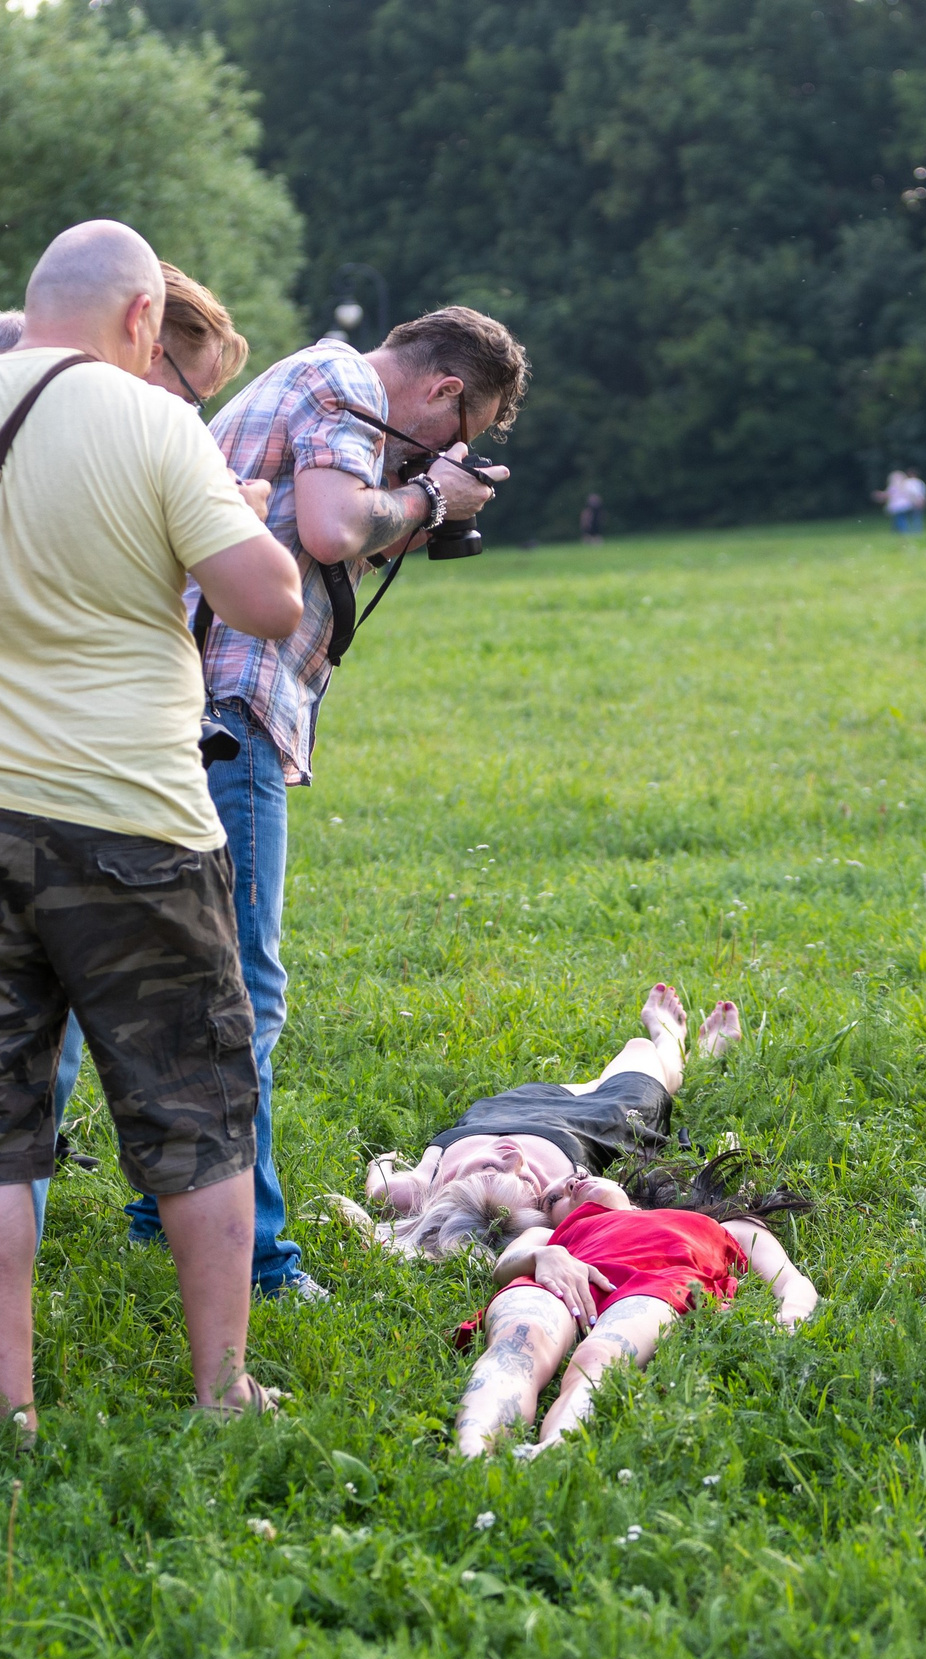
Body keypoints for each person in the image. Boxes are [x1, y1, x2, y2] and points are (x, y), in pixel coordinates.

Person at [0, 220, 303, 1432]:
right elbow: (270, 603)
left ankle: (4, 1412)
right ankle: (221, 1388)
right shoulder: (153, 423)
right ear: (143, 317)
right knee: (195, 1108)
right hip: (136, 818)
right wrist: (240, 515)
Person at [126, 304, 531, 1299]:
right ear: (441, 390)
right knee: (240, 999)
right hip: (232, 708)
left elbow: (328, 528)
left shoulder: (311, 386)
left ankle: (157, 1212)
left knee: (175, 980)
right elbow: (331, 525)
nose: (449, 447)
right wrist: (433, 498)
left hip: (179, 708)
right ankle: (258, 1260)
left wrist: (425, 495)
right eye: (460, 428)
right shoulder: (344, 385)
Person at [446, 1153, 819, 1458]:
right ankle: (471, 1451)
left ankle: (554, 1448)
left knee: (601, 1356)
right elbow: (504, 1266)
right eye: (554, 1199)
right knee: (518, 1342)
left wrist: (791, 1316)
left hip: (657, 1282)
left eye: (577, 1174)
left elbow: (792, 1281)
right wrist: (547, 1255)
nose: (570, 1184)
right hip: (564, 1276)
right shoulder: (549, 1235)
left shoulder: (727, 1226)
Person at [348, 984, 740, 1254]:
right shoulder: (548, 1213)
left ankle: (674, 1058)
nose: (513, 1156)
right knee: (640, 1051)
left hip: (517, 1107)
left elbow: (379, 1175)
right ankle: (679, 1044)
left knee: (612, 1073)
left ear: (452, 1188)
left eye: (489, 1167)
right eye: (528, 1182)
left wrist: (385, 1161)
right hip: (598, 1127)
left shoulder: (413, 1190)